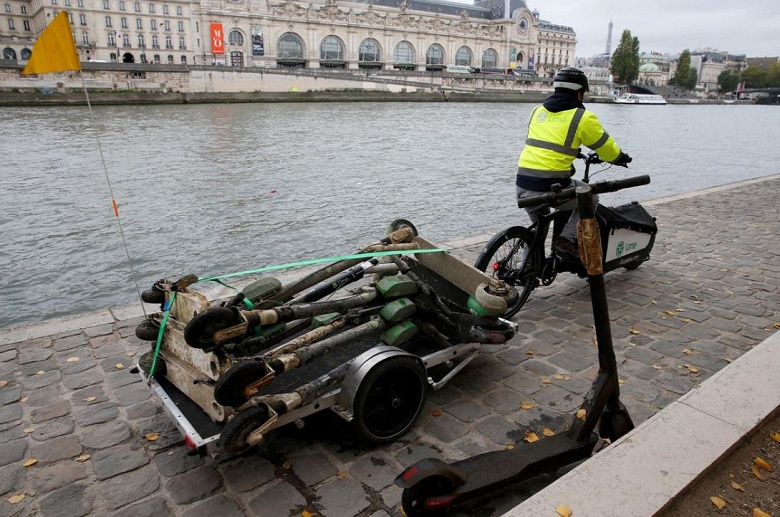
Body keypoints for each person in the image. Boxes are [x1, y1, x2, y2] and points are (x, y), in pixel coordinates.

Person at [516, 67, 631, 249]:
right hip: (550, 187)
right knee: (591, 198)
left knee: (539, 230)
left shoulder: (537, 111)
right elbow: (605, 147)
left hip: (523, 184)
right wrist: (619, 157)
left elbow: (546, 141)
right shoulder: (582, 117)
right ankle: (567, 239)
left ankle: (528, 271)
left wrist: (573, 151)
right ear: (579, 92)